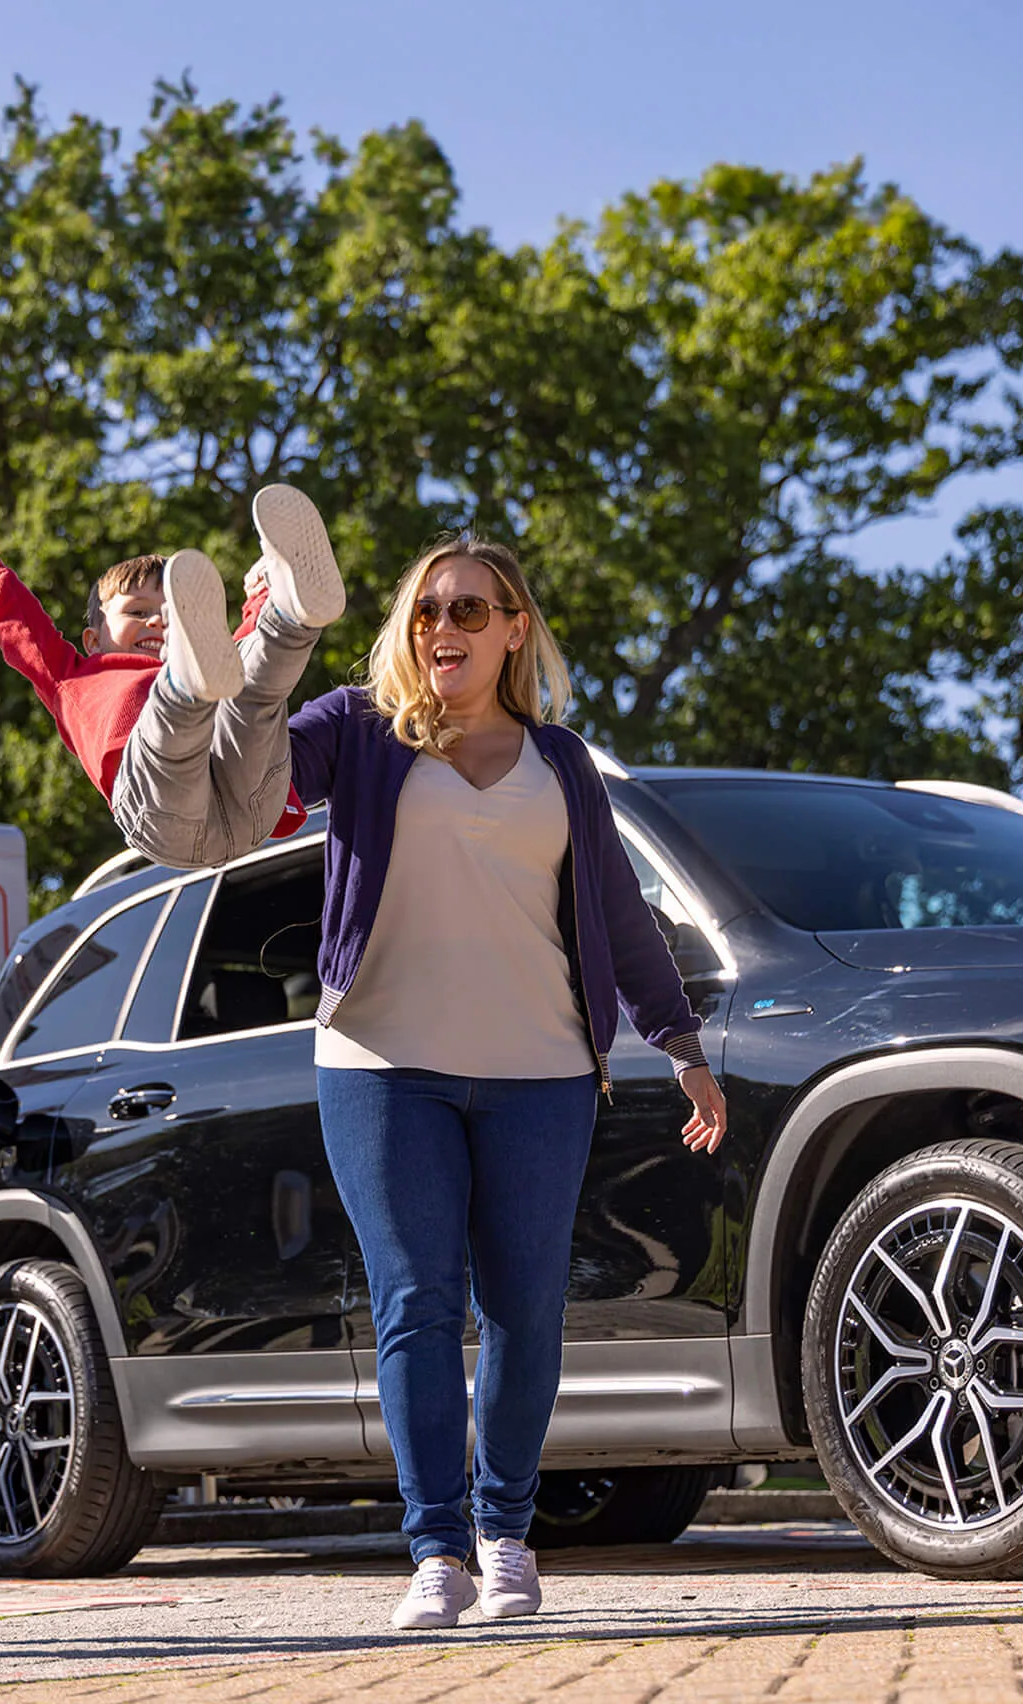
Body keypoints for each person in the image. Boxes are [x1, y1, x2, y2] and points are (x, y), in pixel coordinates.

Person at [277, 533, 729, 1630]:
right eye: (429, 609)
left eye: (472, 610)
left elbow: (618, 912)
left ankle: (507, 1534)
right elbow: (257, 773)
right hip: (384, 1064)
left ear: (515, 628)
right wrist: (264, 639)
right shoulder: (357, 732)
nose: (445, 629)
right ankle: (435, 1549)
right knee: (416, 1305)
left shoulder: (561, 761)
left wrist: (680, 1043)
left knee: (525, 1312)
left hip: (540, 1071)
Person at [0, 484, 342, 868]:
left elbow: (246, 654)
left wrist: (263, 595)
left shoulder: (215, 664)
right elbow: (13, 613)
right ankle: (186, 684)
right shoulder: (69, 675)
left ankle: (294, 616)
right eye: (137, 611)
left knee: (252, 690)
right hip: (163, 812)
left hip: (253, 801)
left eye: (172, 612)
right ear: (93, 640)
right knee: (173, 724)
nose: (157, 621)